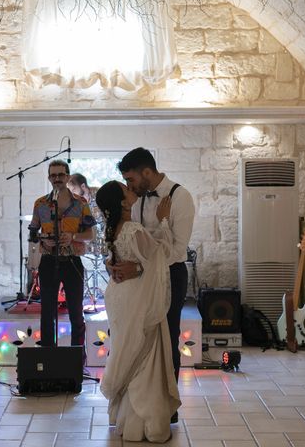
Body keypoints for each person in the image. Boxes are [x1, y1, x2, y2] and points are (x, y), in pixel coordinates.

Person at [111, 147, 195, 420]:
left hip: (170, 274)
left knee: (168, 338)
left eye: (131, 179)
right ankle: (140, 404)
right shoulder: (134, 198)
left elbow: (177, 250)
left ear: (146, 172)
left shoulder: (180, 196)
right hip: (139, 278)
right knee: (142, 338)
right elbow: (131, 240)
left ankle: (166, 409)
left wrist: (137, 267)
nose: (128, 186)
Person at [96, 180, 180, 442]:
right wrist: (163, 221)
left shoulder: (112, 230)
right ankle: (147, 424)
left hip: (119, 296)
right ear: (123, 202)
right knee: (145, 354)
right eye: (127, 190)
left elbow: (115, 261)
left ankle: (126, 421)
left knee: (126, 348)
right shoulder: (133, 229)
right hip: (136, 297)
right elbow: (161, 256)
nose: (132, 191)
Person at [28, 160, 96, 357]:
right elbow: (33, 233)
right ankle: (48, 358)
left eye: (61, 175)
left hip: (73, 261)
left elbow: (90, 235)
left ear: (67, 177)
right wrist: (42, 240)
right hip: (49, 261)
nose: (57, 179)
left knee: (76, 311)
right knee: (47, 312)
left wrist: (73, 236)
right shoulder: (40, 204)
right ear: (49, 178)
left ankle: (77, 359)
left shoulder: (81, 203)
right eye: (53, 175)